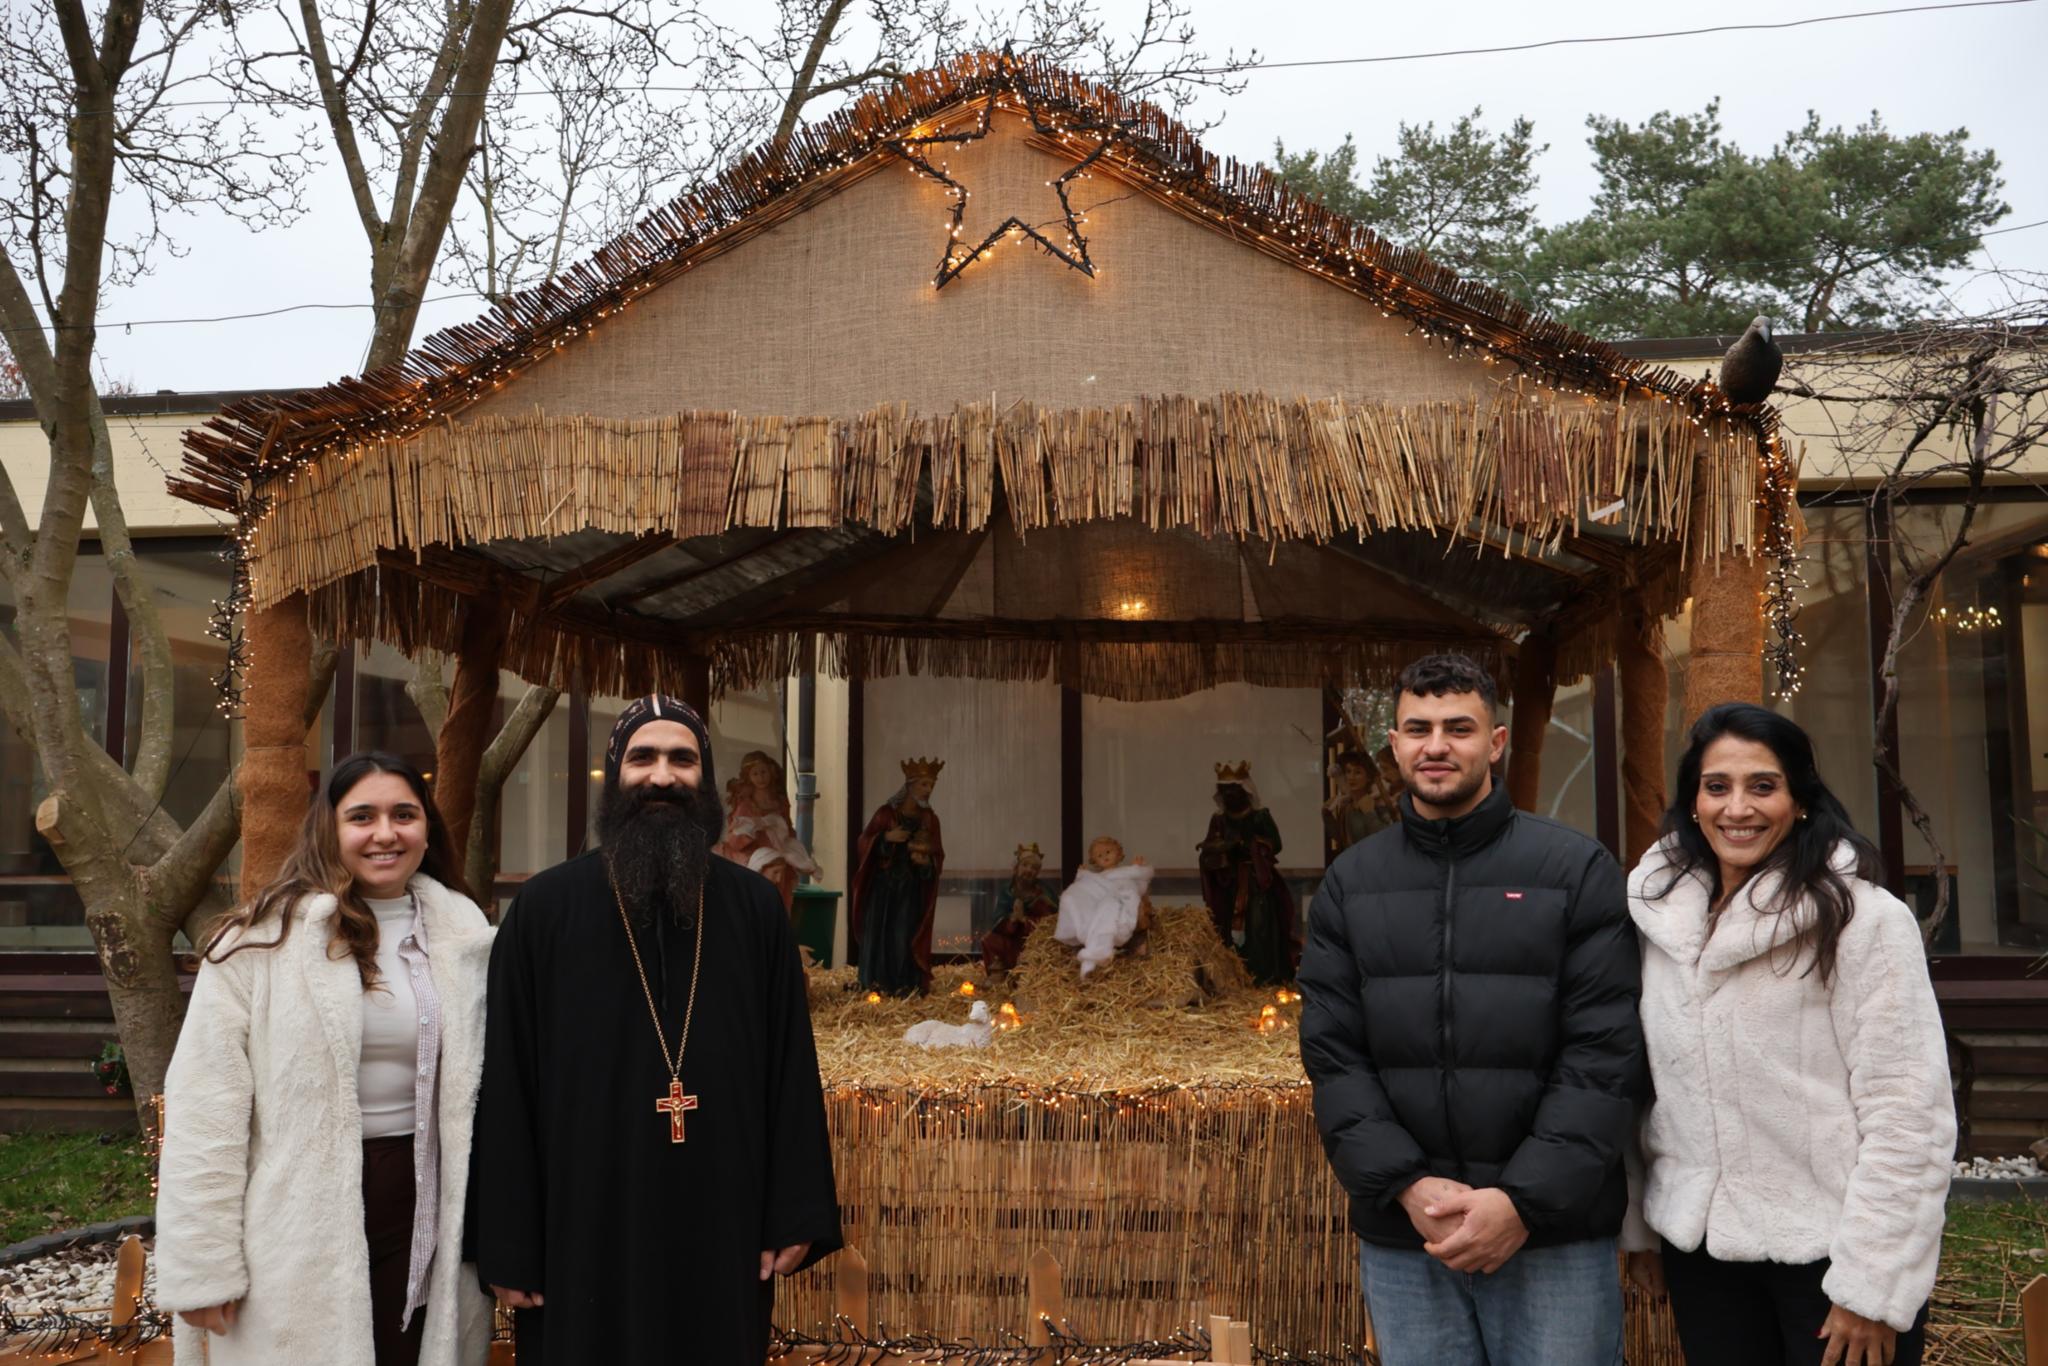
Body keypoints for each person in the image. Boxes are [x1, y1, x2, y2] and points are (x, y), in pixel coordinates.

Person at [471, 694, 841, 1363]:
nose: (662, 776)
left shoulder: (755, 910)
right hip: (581, 1219)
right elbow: (506, 1080)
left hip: (721, 1209)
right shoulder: (544, 911)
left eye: (682, 759)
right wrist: (508, 1238)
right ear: (615, 775)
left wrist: (795, 1208)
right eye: (642, 757)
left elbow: (790, 1065)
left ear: (704, 780)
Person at [1297, 653, 1644, 1366]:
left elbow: (1603, 1056)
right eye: (1417, 729)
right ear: (1393, 744)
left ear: (1496, 741)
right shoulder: (1350, 885)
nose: (1435, 746)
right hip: (1410, 1234)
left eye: (1458, 728)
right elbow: (1334, 1057)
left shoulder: (1575, 871)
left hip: (1552, 1236)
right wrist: (1406, 1185)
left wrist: (1519, 1202)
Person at [1623, 703, 1952, 1366]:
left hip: (1832, 1259)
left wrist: (1872, 1286)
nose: (1736, 807)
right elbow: (1650, 1088)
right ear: (1692, 801)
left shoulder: (1862, 920)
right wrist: (1644, 1225)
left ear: (1800, 800)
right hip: (1705, 1256)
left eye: (1762, 786)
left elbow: (1908, 1113)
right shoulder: (1661, 925)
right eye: (1717, 786)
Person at [155, 752, 496, 1366]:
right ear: (329, 829)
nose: (386, 833)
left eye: (404, 815)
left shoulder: (466, 935)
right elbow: (206, 1107)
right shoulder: (260, 940)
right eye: (361, 816)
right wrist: (203, 1266)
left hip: (428, 1206)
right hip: (297, 1214)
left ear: (427, 829)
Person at [850, 757, 946, 995]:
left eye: (931, 785)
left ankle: (906, 984)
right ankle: (876, 984)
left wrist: (926, 861)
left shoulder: (929, 820)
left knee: (903, 934)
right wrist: (885, 839)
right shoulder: (886, 814)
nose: (928, 790)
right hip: (883, 888)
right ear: (910, 785)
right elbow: (863, 843)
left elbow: (937, 852)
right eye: (924, 784)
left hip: (910, 888)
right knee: (880, 933)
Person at [1198, 761, 1299, 984]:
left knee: (1260, 927)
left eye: (1234, 790)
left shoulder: (1260, 816)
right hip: (1228, 883)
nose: (1230, 796)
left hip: (1256, 883)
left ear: (1245, 790)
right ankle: (1234, 978)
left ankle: (1263, 976)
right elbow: (1210, 845)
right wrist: (1216, 849)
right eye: (1225, 791)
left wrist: (1247, 845)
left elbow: (1276, 843)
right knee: (1226, 927)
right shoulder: (1218, 819)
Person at [714, 749, 819, 914]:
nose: (760, 777)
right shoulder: (746, 805)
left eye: (763, 772)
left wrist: (790, 844)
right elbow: (736, 838)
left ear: (771, 772)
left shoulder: (779, 801)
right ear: (748, 777)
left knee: (781, 897)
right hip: (755, 857)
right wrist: (752, 829)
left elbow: (787, 827)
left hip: (779, 856)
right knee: (758, 899)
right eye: (755, 773)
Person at [1054, 835, 1155, 978]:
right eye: (1099, 855)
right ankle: (1094, 950)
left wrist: (1138, 869)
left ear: (1119, 853)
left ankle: (1096, 956)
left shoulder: (1127, 871)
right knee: (1070, 896)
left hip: (1120, 898)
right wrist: (1082, 876)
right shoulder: (1097, 877)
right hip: (1100, 900)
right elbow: (1088, 889)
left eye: (1108, 852)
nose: (1105, 857)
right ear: (1094, 861)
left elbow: (1140, 887)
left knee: (1109, 908)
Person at [981, 841, 1057, 975]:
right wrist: (1012, 919)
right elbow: (997, 918)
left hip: (1033, 940)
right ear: (1016, 868)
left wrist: (1025, 920)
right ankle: (999, 976)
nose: (1028, 870)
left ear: (1037, 872)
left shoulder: (1044, 893)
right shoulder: (1007, 891)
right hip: (1011, 937)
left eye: (1033, 868)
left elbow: (1051, 923)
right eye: (1025, 865)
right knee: (989, 940)